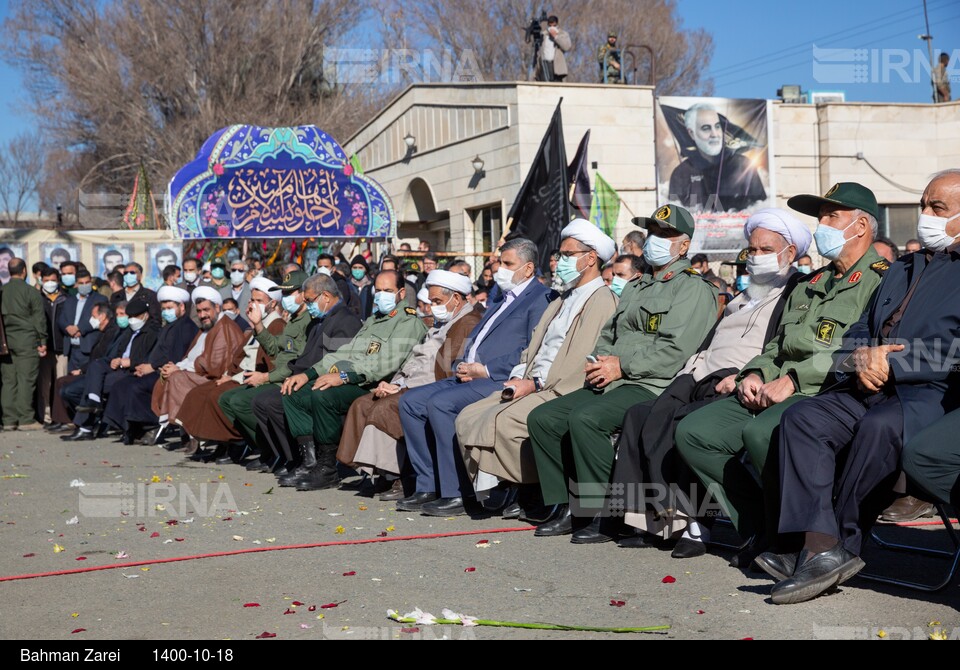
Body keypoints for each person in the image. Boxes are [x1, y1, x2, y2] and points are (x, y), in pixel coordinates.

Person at [762, 170, 960, 604]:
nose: (924, 215)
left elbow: (956, 354)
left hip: (928, 394)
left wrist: (894, 362)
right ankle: (819, 544)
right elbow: (859, 327)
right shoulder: (902, 267)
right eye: (923, 205)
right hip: (867, 381)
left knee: (879, 428)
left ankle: (843, 544)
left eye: (937, 209)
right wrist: (859, 357)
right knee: (804, 417)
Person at [675, 182, 887, 569]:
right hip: (774, 386)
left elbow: (859, 351)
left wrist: (793, 380)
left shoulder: (881, 280)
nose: (820, 225)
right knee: (695, 432)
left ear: (860, 227)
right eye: (819, 216)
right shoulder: (811, 283)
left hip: (825, 393)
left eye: (830, 217)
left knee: (760, 433)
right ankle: (760, 526)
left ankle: (791, 542)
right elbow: (777, 345)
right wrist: (755, 372)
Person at [594, 209, 809, 554]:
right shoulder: (745, 294)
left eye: (765, 250)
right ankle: (642, 518)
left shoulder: (795, 292)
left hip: (734, 379)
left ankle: (692, 523)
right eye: (751, 250)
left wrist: (742, 376)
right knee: (639, 415)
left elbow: (779, 348)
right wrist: (688, 371)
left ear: (790, 253)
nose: (755, 258)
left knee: (682, 423)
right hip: (698, 372)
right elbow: (710, 340)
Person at [527, 206, 718, 537]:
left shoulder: (692, 289)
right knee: (544, 418)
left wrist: (621, 366)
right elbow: (609, 334)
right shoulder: (636, 285)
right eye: (651, 233)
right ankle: (566, 505)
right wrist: (600, 361)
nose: (654, 240)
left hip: (653, 383)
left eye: (664, 234)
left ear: (683, 246)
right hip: (615, 378)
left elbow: (675, 351)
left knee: (585, 419)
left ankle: (604, 512)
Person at [457, 220, 619, 517]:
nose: (560, 261)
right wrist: (520, 376)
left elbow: (580, 359)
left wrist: (535, 384)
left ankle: (530, 490)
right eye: (561, 253)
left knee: (503, 421)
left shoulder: (601, 300)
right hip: (532, 380)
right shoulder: (563, 298)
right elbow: (534, 347)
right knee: (469, 416)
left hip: (559, 387)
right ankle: (512, 484)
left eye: (569, 254)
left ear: (591, 258)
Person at [397, 238, 553, 516]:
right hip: (470, 374)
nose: (499, 271)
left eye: (508, 264)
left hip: (499, 379)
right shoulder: (501, 297)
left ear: (528, 269)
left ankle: (457, 491)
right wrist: (463, 362)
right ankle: (427, 484)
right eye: (500, 263)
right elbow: (478, 338)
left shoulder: (539, 298)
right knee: (411, 402)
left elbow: (531, 348)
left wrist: (486, 369)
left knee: (441, 404)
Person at [272, 270, 427, 491]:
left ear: (401, 293)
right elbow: (345, 351)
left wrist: (343, 377)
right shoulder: (375, 320)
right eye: (379, 290)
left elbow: (384, 365)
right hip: (355, 379)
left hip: (376, 385)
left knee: (323, 394)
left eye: (388, 291)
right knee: (294, 392)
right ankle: (310, 462)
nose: (381, 295)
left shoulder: (408, 322)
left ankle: (328, 468)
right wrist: (309, 373)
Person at [337, 270, 483, 499]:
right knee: (364, 403)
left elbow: (440, 370)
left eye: (437, 301)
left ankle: (401, 477)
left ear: (456, 298)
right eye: (431, 301)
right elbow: (416, 360)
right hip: (411, 381)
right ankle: (381, 473)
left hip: (433, 386)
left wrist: (402, 387)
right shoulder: (444, 321)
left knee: (386, 407)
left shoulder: (466, 323)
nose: (432, 306)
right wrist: (395, 382)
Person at [246, 273, 362, 474]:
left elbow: (336, 361)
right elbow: (290, 353)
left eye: (309, 300)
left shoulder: (344, 321)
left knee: (283, 397)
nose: (307, 305)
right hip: (305, 375)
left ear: (325, 296)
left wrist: (304, 376)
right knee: (264, 400)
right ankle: (294, 457)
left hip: (325, 379)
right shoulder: (321, 319)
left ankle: (309, 460)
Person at [174, 278, 283, 458]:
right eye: (252, 300)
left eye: (259, 301)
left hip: (253, 377)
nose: (254, 305)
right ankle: (219, 442)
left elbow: (268, 362)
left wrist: (233, 378)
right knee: (199, 393)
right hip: (239, 374)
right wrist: (228, 374)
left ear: (272, 303)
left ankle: (236, 442)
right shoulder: (258, 325)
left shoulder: (276, 324)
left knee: (218, 396)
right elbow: (240, 357)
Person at [218, 271, 316, 467]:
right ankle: (269, 450)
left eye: (290, 294)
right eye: (284, 294)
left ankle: (282, 454)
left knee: (247, 401)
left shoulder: (307, 321)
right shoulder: (295, 320)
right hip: (279, 376)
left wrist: (266, 377)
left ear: (303, 294)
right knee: (227, 399)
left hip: (290, 378)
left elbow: (295, 362)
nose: (285, 299)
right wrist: (258, 325)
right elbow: (274, 348)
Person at [98, 288, 198, 444]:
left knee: (135, 387)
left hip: (169, 372)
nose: (166, 312)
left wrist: (152, 367)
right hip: (154, 368)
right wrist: (145, 365)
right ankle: (129, 427)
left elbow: (175, 356)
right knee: (121, 384)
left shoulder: (185, 327)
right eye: (163, 309)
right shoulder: (169, 326)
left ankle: (149, 424)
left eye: (170, 308)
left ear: (182, 307)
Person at [149, 286, 246, 442]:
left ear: (217, 307)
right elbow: (192, 356)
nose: (202, 315)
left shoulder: (225, 327)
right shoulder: (206, 328)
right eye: (199, 311)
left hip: (219, 378)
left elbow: (214, 365)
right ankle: (187, 431)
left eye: (206, 310)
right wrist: (177, 366)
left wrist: (179, 369)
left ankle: (191, 433)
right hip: (200, 373)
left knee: (177, 378)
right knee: (171, 375)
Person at [61, 298, 160, 440]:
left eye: (135, 317)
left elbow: (149, 357)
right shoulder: (128, 331)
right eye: (129, 317)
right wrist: (116, 359)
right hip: (118, 366)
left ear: (145, 315)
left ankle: (85, 427)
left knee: (91, 384)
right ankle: (94, 401)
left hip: (131, 370)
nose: (132, 320)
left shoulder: (152, 332)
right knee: (95, 366)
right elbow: (119, 351)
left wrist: (130, 362)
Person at [668, 103, 767, 212]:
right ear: (691, 133)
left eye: (717, 126)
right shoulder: (681, 173)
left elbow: (762, 209)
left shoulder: (743, 166)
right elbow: (673, 219)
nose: (715, 134)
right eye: (706, 128)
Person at [48, 302, 126, 433]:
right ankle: (69, 419)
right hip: (93, 370)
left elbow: (104, 358)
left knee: (68, 389)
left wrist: (83, 370)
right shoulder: (103, 332)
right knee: (62, 383)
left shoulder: (113, 331)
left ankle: (89, 421)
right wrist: (82, 369)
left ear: (102, 317)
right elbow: (96, 357)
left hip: (102, 372)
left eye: (93, 316)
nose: (91, 320)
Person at [0, 258, 47, 430]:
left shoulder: (2, 291)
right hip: (27, 340)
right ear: (24, 271)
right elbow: (39, 319)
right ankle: (26, 419)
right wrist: (42, 340)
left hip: (5, 342)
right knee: (26, 380)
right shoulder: (31, 292)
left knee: (8, 381)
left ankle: (9, 420)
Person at [36, 266, 68, 424]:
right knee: (45, 384)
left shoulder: (65, 298)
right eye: (46, 280)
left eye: (53, 280)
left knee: (61, 381)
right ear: (41, 280)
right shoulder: (36, 298)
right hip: (44, 348)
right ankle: (46, 415)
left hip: (62, 348)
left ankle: (61, 415)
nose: (49, 283)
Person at [536, 15, 571, 82]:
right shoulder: (544, 34)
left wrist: (556, 37)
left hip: (557, 65)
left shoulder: (563, 34)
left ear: (557, 25)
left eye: (554, 26)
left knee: (556, 87)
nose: (552, 27)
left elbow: (567, 46)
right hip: (545, 64)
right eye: (550, 25)